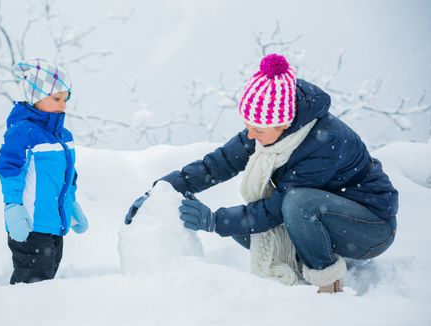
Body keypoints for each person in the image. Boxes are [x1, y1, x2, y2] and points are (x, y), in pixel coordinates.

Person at [125, 53, 398, 293]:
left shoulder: (326, 142)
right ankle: (306, 259)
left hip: (369, 228)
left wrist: (213, 221)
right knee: (247, 232)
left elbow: (278, 208)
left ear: (285, 123)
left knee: (294, 204)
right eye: (248, 126)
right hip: (326, 216)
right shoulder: (267, 129)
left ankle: (329, 285)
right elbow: (216, 165)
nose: (250, 134)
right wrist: (159, 191)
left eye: (258, 129)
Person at [0, 58, 88, 284]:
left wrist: (71, 204)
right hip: (29, 225)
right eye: (57, 98)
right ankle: (19, 317)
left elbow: (68, 176)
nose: (63, 105)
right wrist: (12, 206)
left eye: (65, 99)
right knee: (32, 286)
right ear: (36, 97)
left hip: (54, 226)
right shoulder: (23, 132)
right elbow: (9, 169)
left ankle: (37, 317)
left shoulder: (63, 136)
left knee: (45, 281)